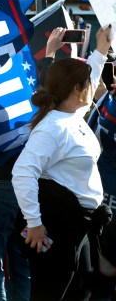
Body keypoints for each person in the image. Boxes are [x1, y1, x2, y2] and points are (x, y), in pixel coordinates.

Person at [12, 25, 111, 300]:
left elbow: (89, 75)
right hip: (57, 225)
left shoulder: (72, 116)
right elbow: (22, 173)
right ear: (76, 89)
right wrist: (34, 223)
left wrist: (101, 48)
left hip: (80, 226)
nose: (93, 87)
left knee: (80, 294)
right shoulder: (53, 127)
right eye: (87, 84)